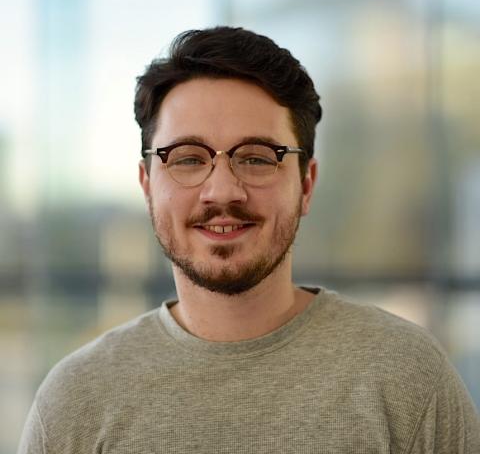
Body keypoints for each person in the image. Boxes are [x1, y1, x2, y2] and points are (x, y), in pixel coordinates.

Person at [18, 26, 479, 454]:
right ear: (147, 186)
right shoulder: (75, 401)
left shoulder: (407, 377)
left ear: (306, 185)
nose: (222, 191)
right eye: (187, 158)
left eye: (257, 158)